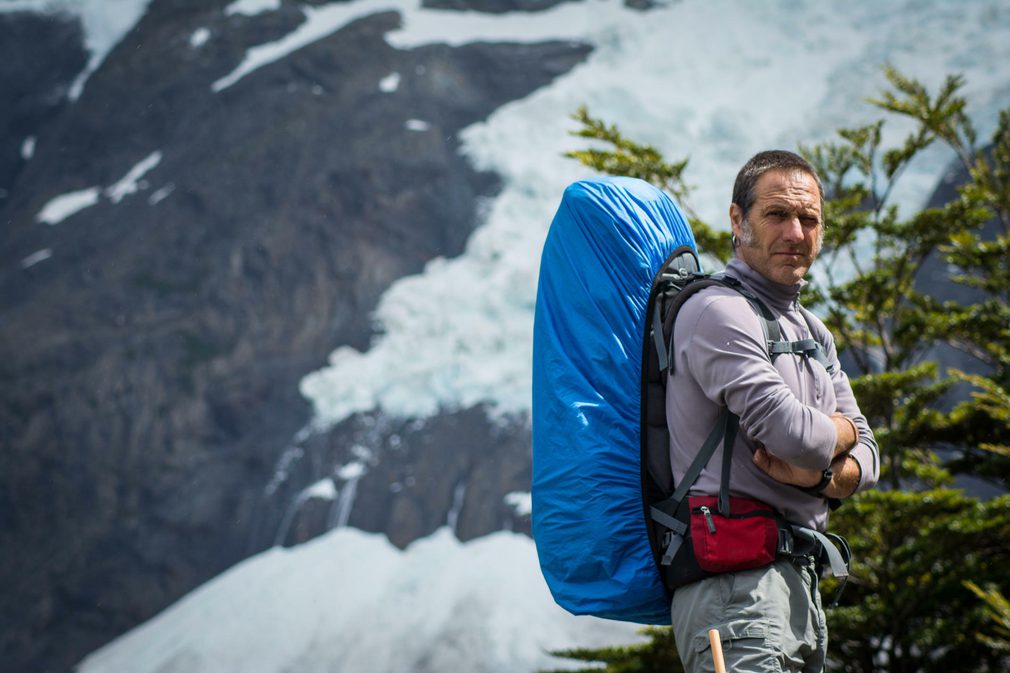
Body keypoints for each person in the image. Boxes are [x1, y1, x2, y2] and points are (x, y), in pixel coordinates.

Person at [665, 150, 879, 673]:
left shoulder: (812, 330)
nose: (796, 232)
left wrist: (821, 474)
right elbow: (794, 437)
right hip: (733, 593)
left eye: (809, 219)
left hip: (796, 586)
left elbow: (870, 462)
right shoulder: (717, 312)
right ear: (738, 220)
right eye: (777, 215)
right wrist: (843, 431)